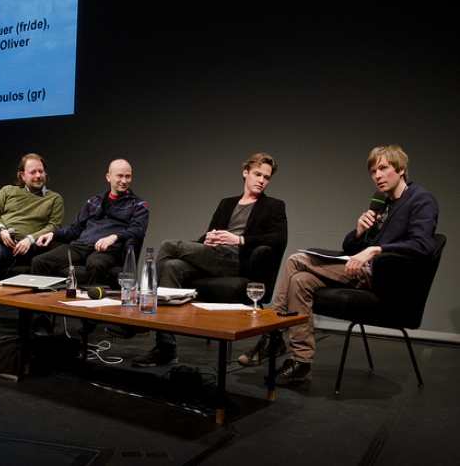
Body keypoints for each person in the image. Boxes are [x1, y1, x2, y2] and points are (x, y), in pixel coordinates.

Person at [242, 144, 439, 385]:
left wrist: (377, 248)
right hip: (361, 269)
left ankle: (271, 337)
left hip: (385, 277)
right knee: (300, 281)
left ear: (401, 169)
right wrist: (359, 232)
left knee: (296, 260)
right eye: (373, 171)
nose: (377, 176)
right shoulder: (383, 203)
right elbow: (350, 249)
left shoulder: (420, 200)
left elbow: (424, 246)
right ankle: (301, 362)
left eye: (383, 168)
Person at [126, 152, 288, 367]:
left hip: (236, 261)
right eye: (258, 174)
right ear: (245, 172)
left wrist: (239, 239)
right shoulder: (227, 203)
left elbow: (278, 239)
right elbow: (206, 235)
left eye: (266, 177)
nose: (261, 180)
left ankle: (145, 315)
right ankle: (166, 345)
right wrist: (209, 238)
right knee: (172, 266)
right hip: (214, 256)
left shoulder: (273, 205)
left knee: (168, 246)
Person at [31, 159, 149, 333]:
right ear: (108, 177)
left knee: (95, 263)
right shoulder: (93, 201)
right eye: (120, 176)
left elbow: (138, 230)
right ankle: (41, 321)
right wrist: (53, 234)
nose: (124, 180)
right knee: (40, 261)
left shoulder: (138, 204)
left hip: (108, 250)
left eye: (128, 176)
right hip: (80, 246)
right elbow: (75, 228)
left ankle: (90, 320)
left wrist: (115, 237)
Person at [0, 153, 65, 338]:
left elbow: (54, 226)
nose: (39, 175)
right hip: (0, 245)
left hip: (26, 249)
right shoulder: (8, 191)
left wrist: (30, 238)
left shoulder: (54, 199)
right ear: (22, 175)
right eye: (33, 172)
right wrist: (1, 230)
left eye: (41, 171)